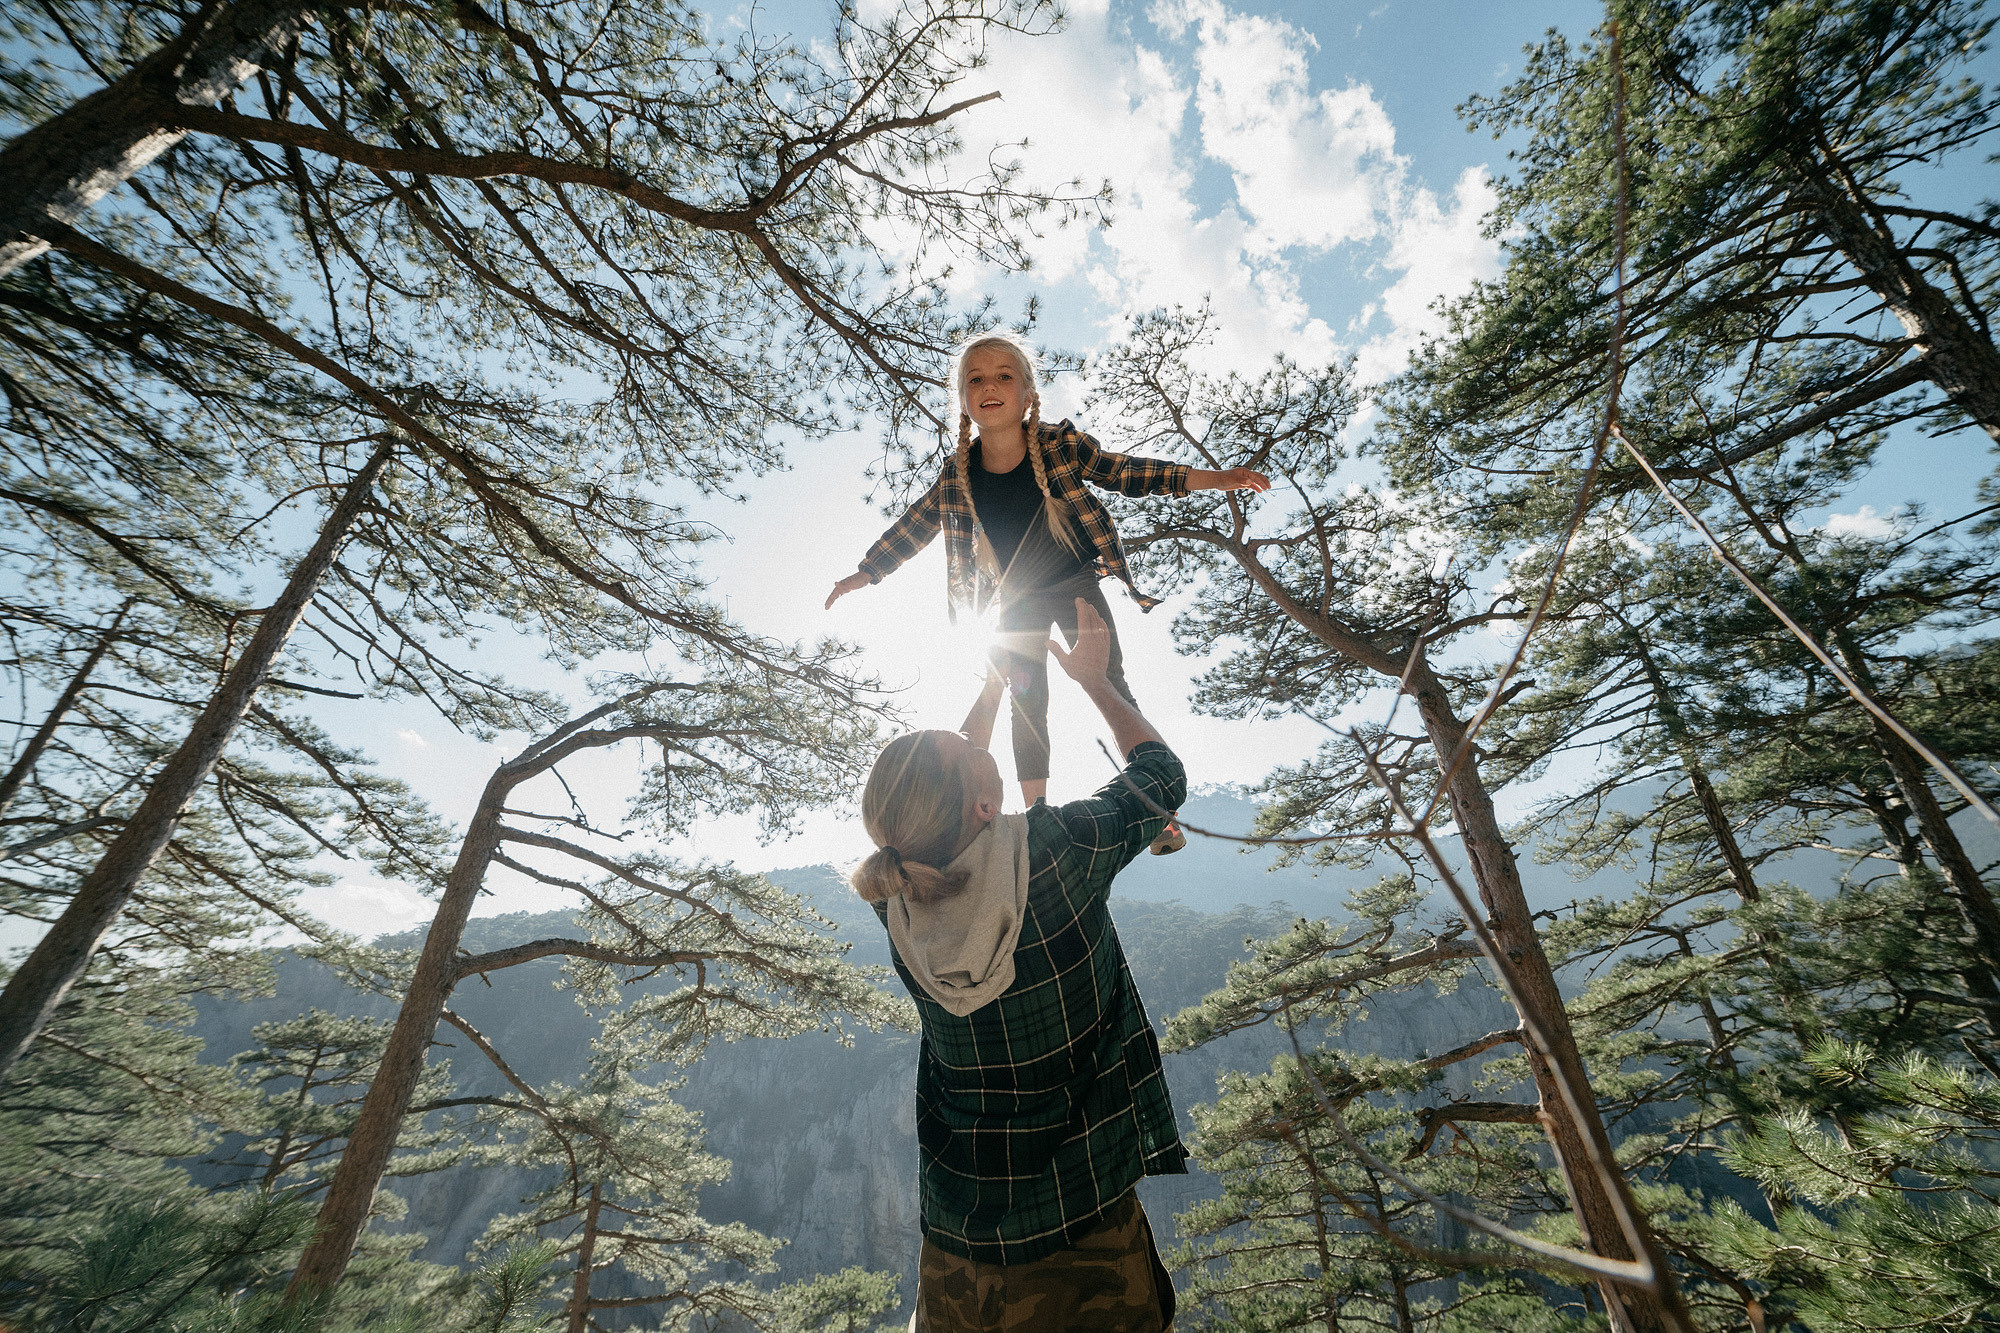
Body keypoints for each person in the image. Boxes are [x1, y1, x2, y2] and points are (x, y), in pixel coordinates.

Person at [851, 600, 1189, 1332]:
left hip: (957, 1248)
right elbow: (1160, 776)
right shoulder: (1055, 854)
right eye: (963, 744)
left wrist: (994, 687)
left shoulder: (900, 900)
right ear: (979, 801)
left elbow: (942, 803)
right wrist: (1099, 684)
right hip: (1083, 1235)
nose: (974, 738)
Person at [825, 332, 1267, 844]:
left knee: (1108, 679)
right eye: (976, 380)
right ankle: (1036, 811)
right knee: (1026, 700)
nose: (990, 386)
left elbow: (1126, 472)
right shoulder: (958, 473)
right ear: (964, 401)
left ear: (1029, 394)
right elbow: (916, 525)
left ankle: (1155, 807)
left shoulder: (1059, 445)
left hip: (1075, 582)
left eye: (1004, 376)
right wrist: (866, 572)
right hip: (1015, 601)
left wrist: (1214, 480)